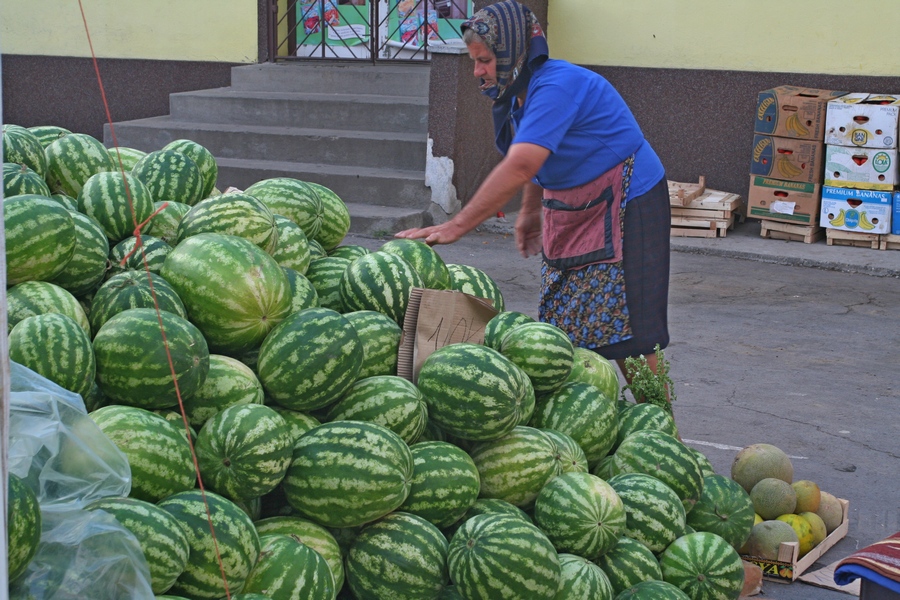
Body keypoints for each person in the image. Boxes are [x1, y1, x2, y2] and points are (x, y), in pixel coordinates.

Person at [395, 0, 672, 403]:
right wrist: (529, 212)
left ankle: (664, 434)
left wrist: (455, 225)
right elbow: (537, 158)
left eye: (485, 61)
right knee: (565, 330)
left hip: (630, 202)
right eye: (474, 62)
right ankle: (588, 425)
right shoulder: (517, 97)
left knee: (634, 331)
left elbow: (522, 162)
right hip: (576, 208)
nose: (478, 73)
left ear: (512, 54)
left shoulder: (557, 85)